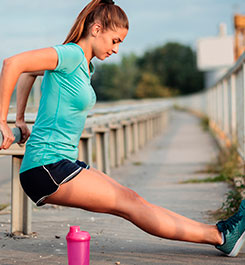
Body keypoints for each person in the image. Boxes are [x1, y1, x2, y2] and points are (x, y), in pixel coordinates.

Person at [0, 0, 244, 258]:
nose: (117, 49)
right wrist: (4, 122)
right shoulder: (70, 54)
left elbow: (28, 73)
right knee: (130, 204)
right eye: (115, 40)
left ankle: (219, 232)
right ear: (96, 29)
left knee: (132, 200)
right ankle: (220, 236)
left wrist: (21, 120)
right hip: (46, 167)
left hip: (61, 162)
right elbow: (13, 64)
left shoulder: (83, 65)